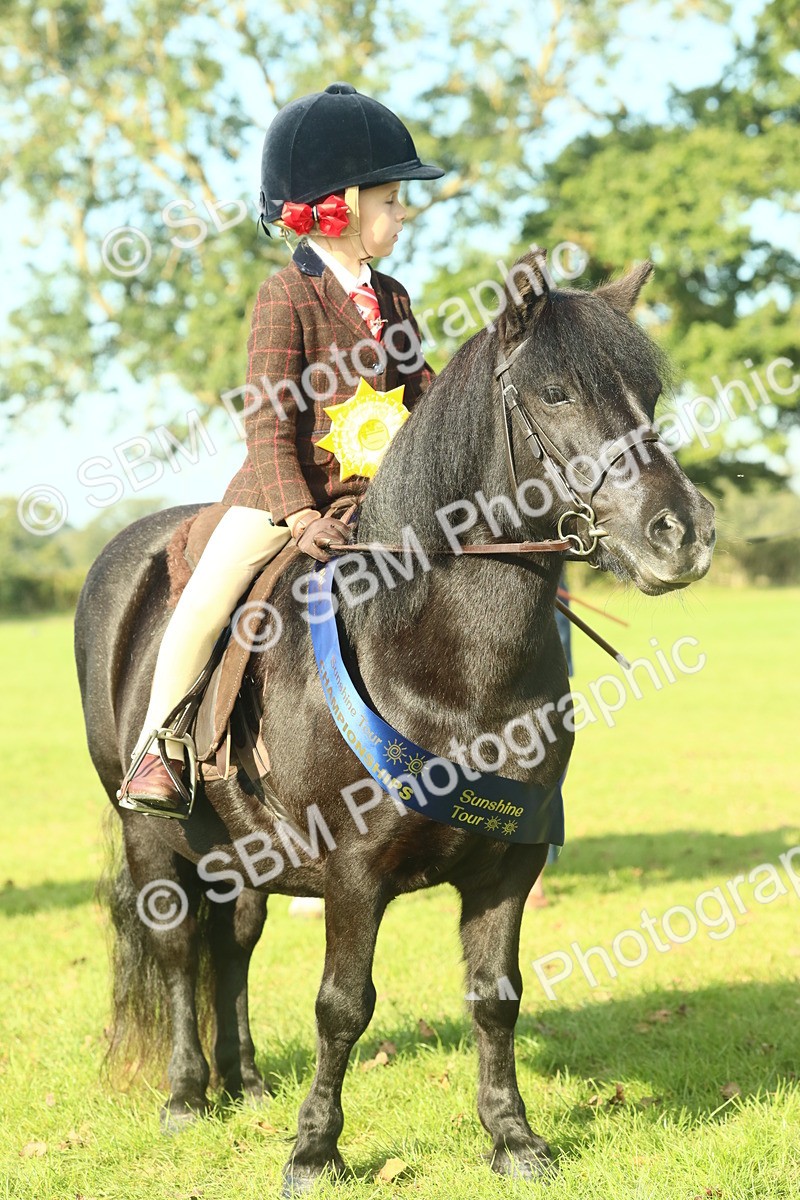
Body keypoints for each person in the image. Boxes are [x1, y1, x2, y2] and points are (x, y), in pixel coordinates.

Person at [118, 82, 444, 818]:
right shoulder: (284, 296)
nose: (403, 213)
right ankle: (158, 752)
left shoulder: (393, 296)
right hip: (283, 497)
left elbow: (422, 392)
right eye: (392, 200)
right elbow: (266, 423)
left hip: (377, 500)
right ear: (342, 206)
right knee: (206, 602)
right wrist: (298, 516)